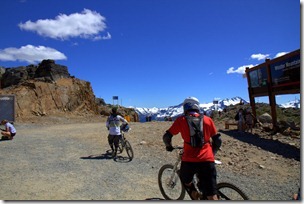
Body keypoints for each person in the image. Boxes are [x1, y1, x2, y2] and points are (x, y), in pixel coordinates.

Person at [162, 97, 222, 200]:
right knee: (211, 193)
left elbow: (166, 137)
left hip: (189, 160)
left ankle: (194, 195)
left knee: (185, 179)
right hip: (207, 159)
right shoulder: (208, 120)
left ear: (185, 107)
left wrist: (169, 147)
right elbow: (218, 141)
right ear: (197, 107)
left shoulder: (181, 120)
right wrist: (212, 153)